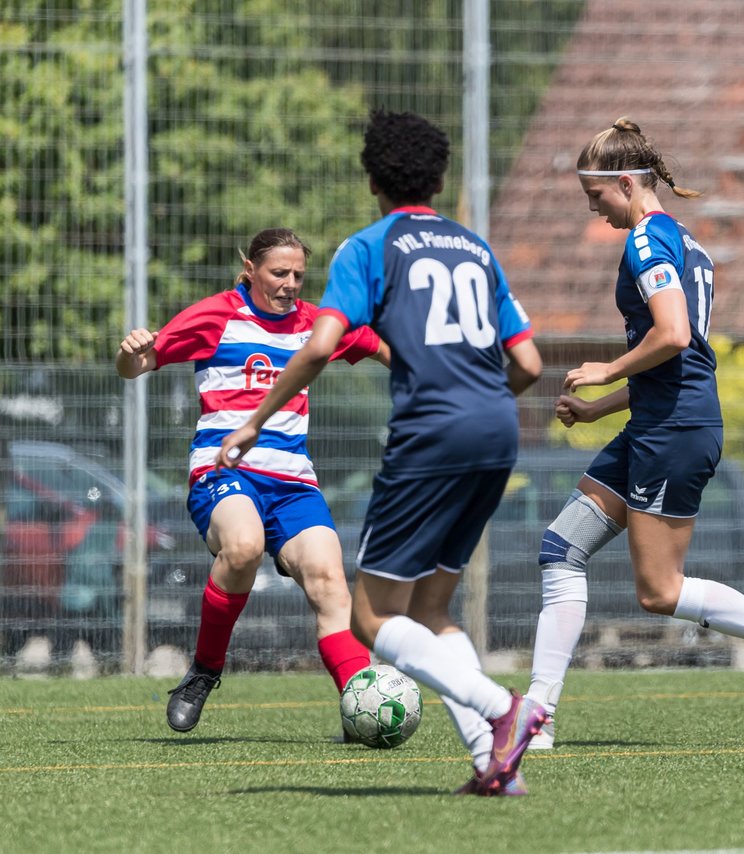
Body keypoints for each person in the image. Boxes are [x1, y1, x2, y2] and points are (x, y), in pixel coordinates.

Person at [216, 110, 547, 797]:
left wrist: (253, 423)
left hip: (432, 434)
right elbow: (530, 363)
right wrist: (482, 395)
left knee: (371, 616)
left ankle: (503, 708)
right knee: (432, 609)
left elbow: (318, 345)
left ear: (372, 177)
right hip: (498, 430)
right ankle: (496, 765)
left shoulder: (369, 247)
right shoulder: (475, 248)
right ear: (439, 176)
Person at [525, 118, 744, 750]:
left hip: (674, 432)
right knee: (559, 548)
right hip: (662, 420)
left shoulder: (646, 244)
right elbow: (685, 361)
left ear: (625, 182)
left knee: (659, 591)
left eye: (596, 197)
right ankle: (538, 713)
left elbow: (674, 336)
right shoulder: (686, 242)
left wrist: (606, 370)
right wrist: (604, 410)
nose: (593, 211)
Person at [115, 227, 387, 734]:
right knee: (242, 547)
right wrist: (130, 350)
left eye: (298, 276)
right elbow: (137, 365)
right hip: (224, 469)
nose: (289, 284)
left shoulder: (318, 324)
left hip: (293, 482)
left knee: (330, 582)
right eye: (278, 273)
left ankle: (361, 707)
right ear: (251, 270)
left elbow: (384, 349)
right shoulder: (217, 315)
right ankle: (204, 671)